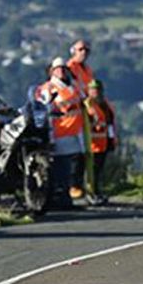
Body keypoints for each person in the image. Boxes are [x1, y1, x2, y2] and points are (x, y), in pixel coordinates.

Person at [37, 57, 87, 203]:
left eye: (64, 69)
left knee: (74, 167)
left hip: (76, 134)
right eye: (58, 69)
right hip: (59, 134)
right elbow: (44, 112)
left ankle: (69, 195)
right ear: (51, 71)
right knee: (60, 168)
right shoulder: (48, 88)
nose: (61, 71)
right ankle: (60, 198)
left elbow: (83, 99)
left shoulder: (74, 86)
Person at [84, 79, 117, 204]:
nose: (95, 92)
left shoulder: (105, 103)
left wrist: (112, 140)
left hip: (104, 141)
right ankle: (91, 194)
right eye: (92, 89)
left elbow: (109, 122)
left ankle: (97, 192)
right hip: (93, 143)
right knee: (92, 172)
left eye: (97, 89)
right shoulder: (88, 104)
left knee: (98, 171)